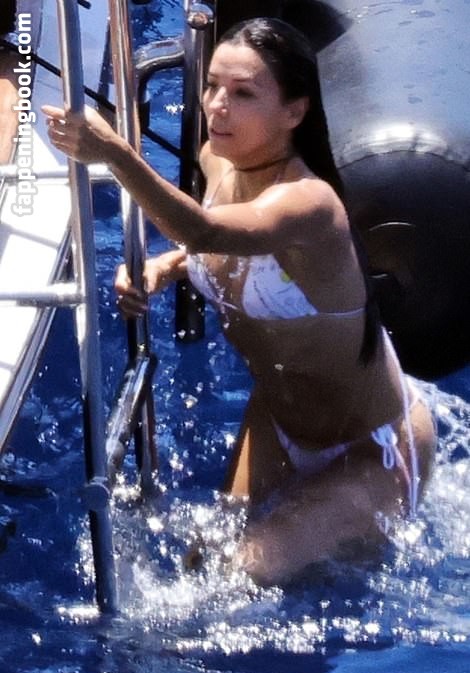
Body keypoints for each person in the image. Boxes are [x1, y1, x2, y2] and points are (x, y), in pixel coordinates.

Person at [42, 17, 436, 586]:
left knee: (239, 578)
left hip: (368, 449)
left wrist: (115, 153)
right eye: (211, 86)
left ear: (295, 111)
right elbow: (219, 251)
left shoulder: (309, 204)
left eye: (243, 93)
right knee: (201, 564)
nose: (217, 105)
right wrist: (164, 268)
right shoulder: (217, 160)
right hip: (277, 418)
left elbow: (205, 231)